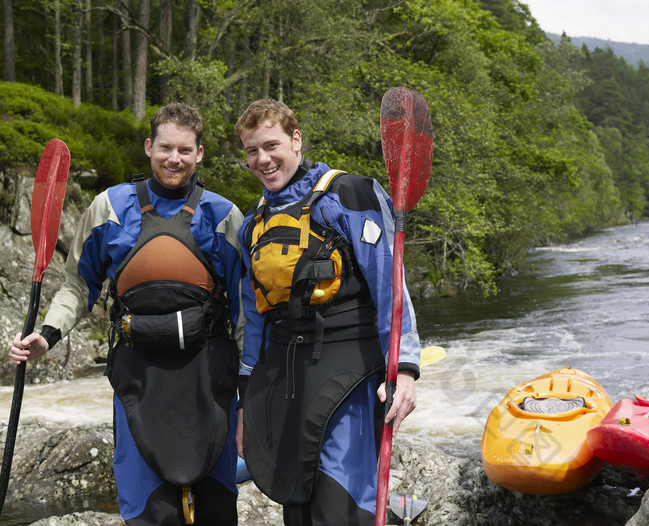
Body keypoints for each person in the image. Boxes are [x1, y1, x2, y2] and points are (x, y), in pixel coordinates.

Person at [9, 103, 245, 525]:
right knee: (150, 511)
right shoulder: (108, 208)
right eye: (166, 147)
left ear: (200, 154)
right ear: (148, 147)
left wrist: (251, 384)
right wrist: (48, 334)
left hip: (209, 377)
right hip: (139, 375)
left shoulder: (224, 216)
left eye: (185, 150)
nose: (175, 158)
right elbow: (79, 285)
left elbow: (246, 311)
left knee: (217, 509)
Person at [233, 99, 421, 525]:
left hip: (348, 371)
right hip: (285, 377)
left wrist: (405, 369)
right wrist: (247, 400)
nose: (263, 159)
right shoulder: (253, 225)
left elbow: (390, 284)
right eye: (251, 150)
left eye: (271, 145)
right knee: (297, 502)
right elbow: (255, 319)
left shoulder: (348, 194)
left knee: (341, 502)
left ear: (296, 140)